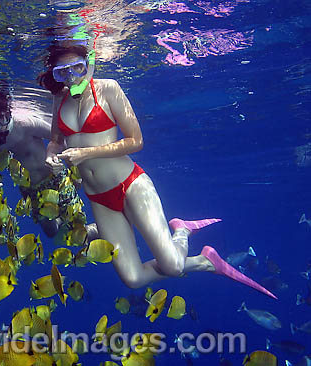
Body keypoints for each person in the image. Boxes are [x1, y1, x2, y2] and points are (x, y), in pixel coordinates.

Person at [39, 42, 276, 298]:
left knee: (173, 267)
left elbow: (136, 141)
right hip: (99, 199)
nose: (72, 77)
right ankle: (204, 262)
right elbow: (55, 139)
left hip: (130, 184)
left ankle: (182, 231)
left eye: (77, 68)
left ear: (88, 65)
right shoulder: (58, 100)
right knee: (132, 279)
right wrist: (51, 154)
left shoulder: (109, 89)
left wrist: (87, 153)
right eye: (63, 72)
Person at [0, 85, 98, 241]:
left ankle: (105, 230)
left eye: (2, 119)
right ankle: (61, 220)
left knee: (77, 228)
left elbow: (60, 140)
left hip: (55, 178)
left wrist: (74, 172)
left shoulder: (25, 124)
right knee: (51, 231)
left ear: (9, 113)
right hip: (28, 188)